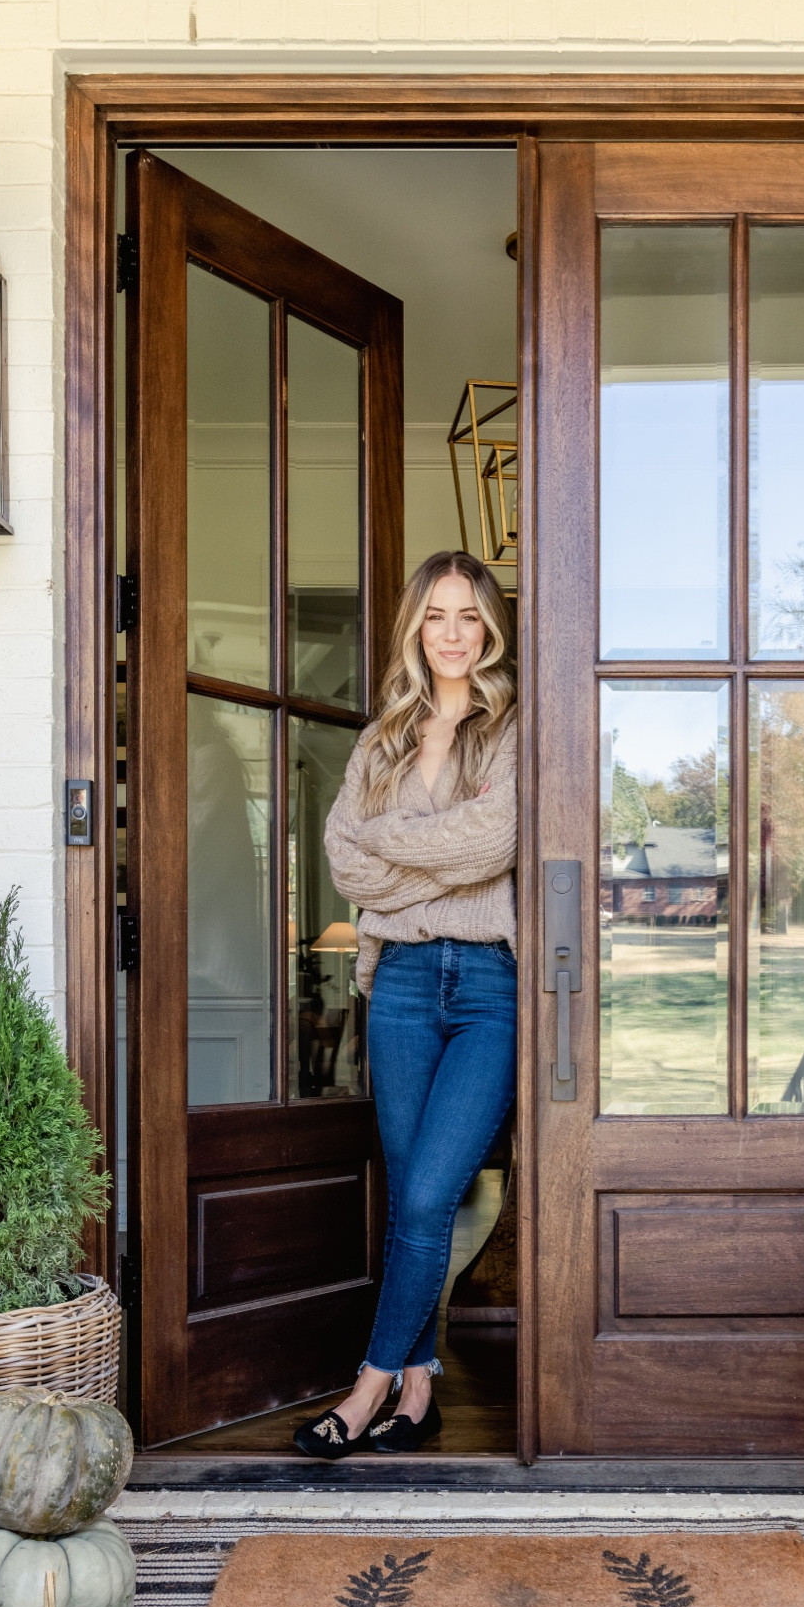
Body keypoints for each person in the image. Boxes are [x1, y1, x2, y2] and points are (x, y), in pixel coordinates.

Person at [293, 551, 517, 1459]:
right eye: (436, 616)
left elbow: (495, 839)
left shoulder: (510, 727)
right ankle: (419, 1388)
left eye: (468, 615)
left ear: (490, 627)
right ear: (414, 629)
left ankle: (370, 1380)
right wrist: (428, 856)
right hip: (402, 985)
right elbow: (344, 859)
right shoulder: (384, 736)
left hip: (488, 988)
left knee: (430, 1190)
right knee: (409, 1196)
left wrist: (395, 858)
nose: (453, 633)